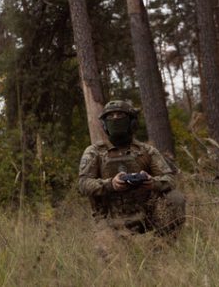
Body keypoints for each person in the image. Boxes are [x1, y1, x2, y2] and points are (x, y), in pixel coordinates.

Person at [78, 100, 186, 241]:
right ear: (104, 124)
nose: (115, 119)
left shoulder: (146, 151)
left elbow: (170, 179)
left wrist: (152, 182)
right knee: (115, 260)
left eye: (120, 115)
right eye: (110, 116)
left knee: (176, 198)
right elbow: (83, 183)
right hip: (110, 219)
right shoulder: (94, 152)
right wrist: (111, 184)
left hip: (147, 214)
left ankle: (161, 246)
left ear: (132, 122)